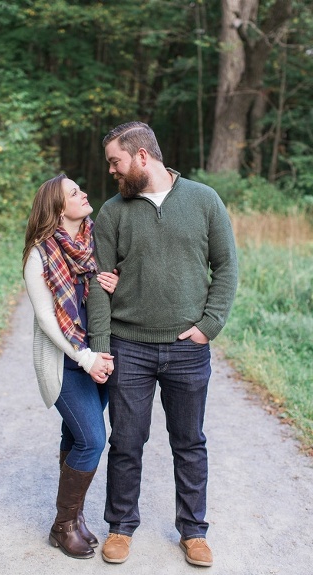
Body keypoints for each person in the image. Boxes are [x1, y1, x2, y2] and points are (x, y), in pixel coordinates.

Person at [87, 121, 238, 567]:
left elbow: (226, 267)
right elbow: (98, 284)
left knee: (189, 442)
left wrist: (209, 325)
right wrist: (101, 345)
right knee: (127, 442)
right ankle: (120, 526)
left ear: (141, 156)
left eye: (116, 162)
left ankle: (193, 531)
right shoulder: (113, 212)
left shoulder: (204, 200)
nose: (112, 171)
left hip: (187, 348)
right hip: (129, 344)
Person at [22, 174, 119, 560]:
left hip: (99, 354)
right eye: (74, 192)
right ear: (59, 208)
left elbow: (108, 286)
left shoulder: (96, 241)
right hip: (67, 362)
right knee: (93, 440)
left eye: (81, 188)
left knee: (75, 436)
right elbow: (47, 320)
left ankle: (73, 519)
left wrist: (110, 282)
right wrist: (86, 358)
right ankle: (63, 526)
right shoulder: (38, 254)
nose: (84, 193)